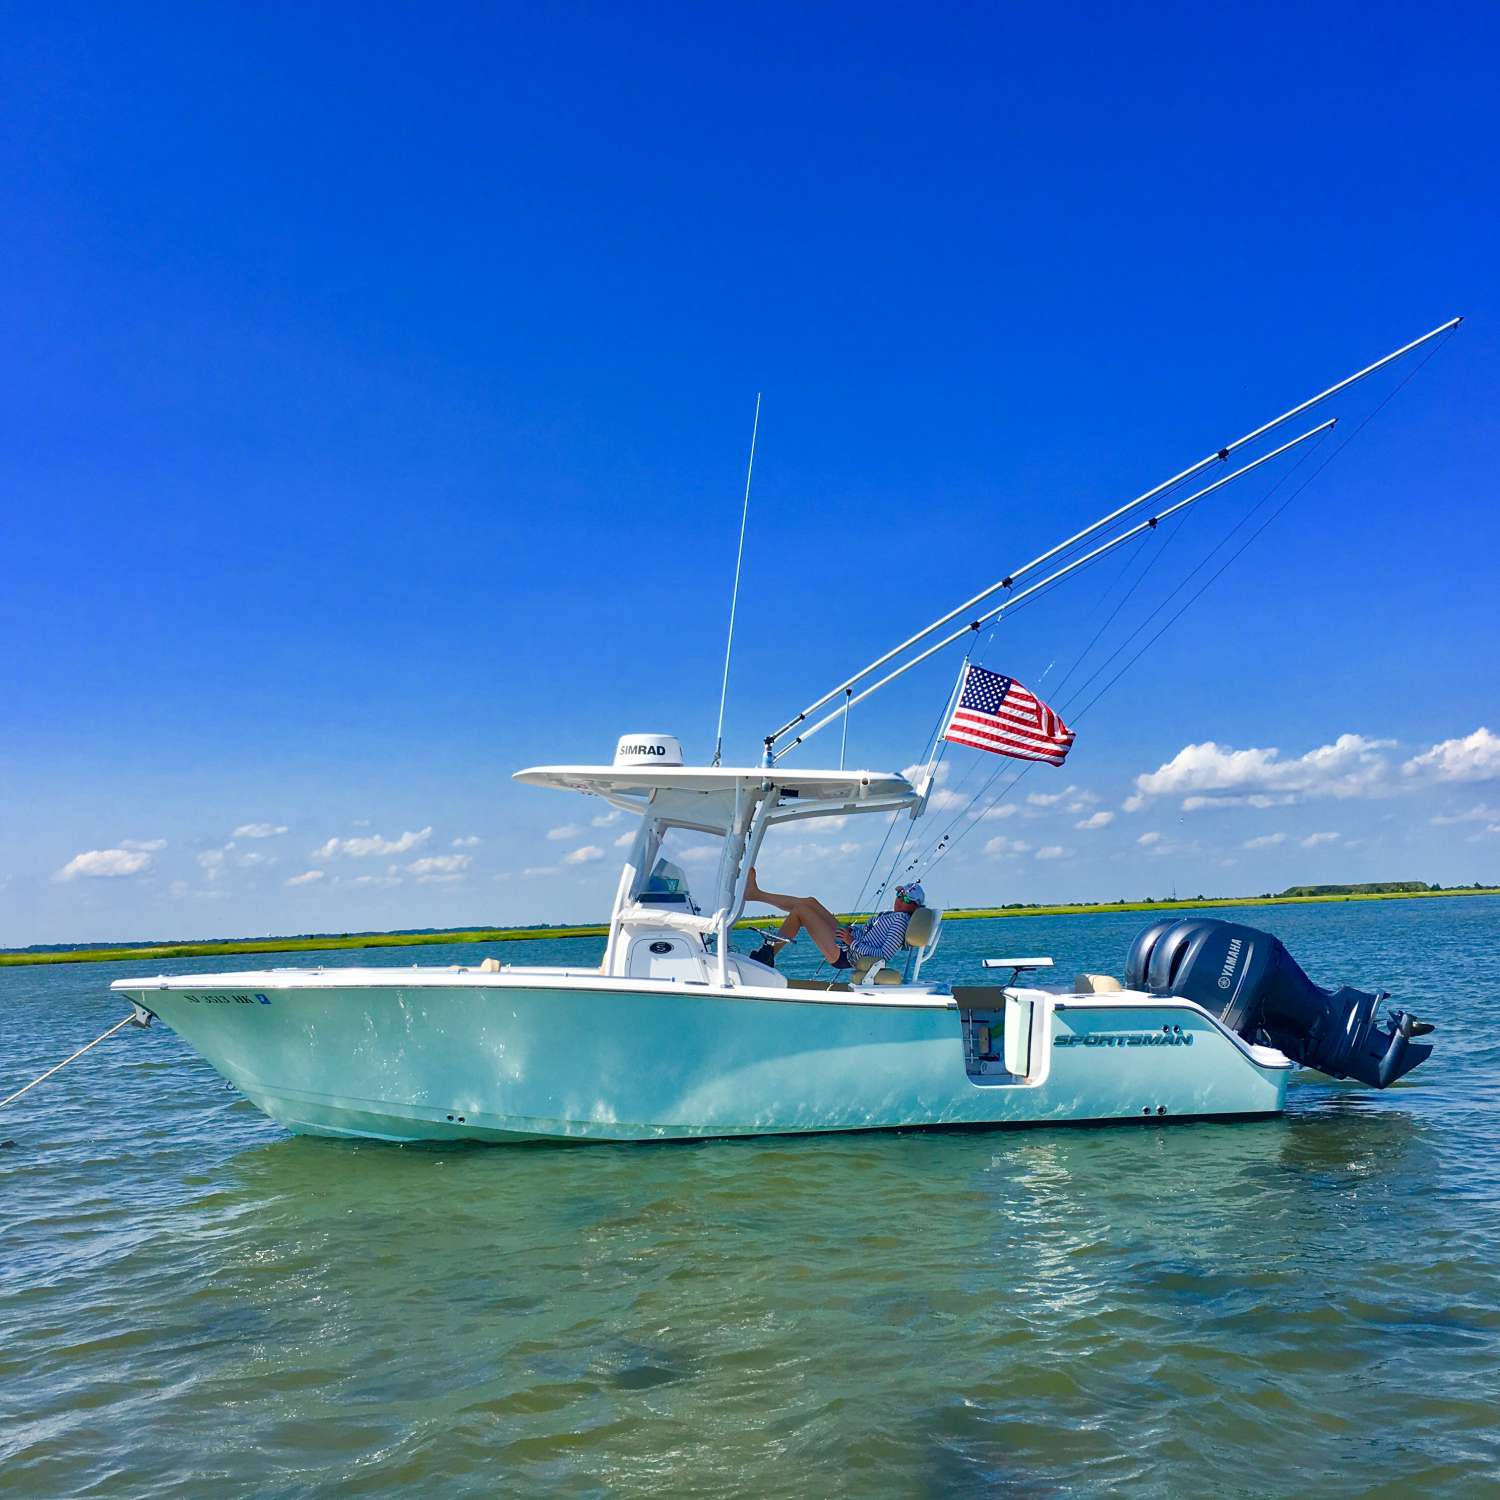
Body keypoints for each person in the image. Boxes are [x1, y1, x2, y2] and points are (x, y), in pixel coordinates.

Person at [745, 869, 926, 970]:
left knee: (801, 911)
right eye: (900, 894)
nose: (900, 899)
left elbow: (883, 956)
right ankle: (756, 894)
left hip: (846, 954)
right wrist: (852, 934)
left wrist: (852, 941)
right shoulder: (894, 916)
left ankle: (765, 957)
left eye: (906, 899)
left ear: (915, 907)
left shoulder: (900, 920)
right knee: (810, 902)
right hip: (847, 939)